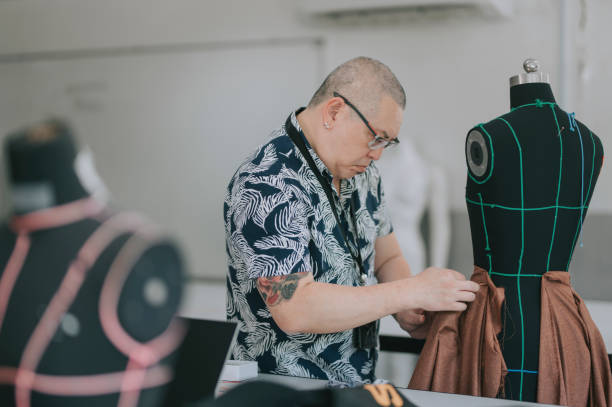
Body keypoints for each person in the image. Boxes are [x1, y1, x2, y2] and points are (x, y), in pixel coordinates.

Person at [224, 57, 479, 384]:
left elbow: (387, 256)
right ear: (334, 112)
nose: (378, 155)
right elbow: (294, 308)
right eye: (376, 138)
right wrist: (408, 292)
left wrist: (408, 309)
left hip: (355, 380)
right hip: (282, 387)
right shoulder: (267, 181)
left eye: (388, 143)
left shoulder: (364, 174)